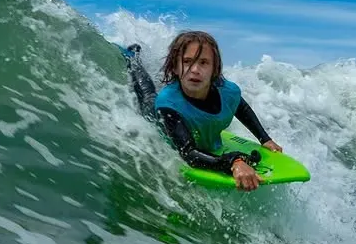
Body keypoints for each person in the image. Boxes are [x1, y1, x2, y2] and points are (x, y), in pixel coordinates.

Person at [120, 32, 282, 192]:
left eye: (204, 62)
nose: (195, 69)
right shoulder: (167, 104)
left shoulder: (228, 91)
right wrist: (234, 161)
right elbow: (188, 154)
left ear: (214, 70)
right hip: (157, 117)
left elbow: (240, 106)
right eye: (187, 61)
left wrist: (265, 139)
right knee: (148, 94)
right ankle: (133, 58)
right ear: (175, 67)